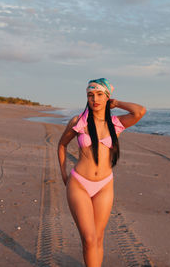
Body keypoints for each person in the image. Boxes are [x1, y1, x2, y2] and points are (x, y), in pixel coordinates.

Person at [58, 78, 146, 267]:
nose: (94, 99)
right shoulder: (78, 122)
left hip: (105, 186)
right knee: (89, 239)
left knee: (98, 238)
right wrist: (64, 175)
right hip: (79, 183)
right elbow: (62, 145)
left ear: (107, 97)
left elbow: (140, 111)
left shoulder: (116, 123)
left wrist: (118, 103)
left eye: (99, 95)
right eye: (90, 95)